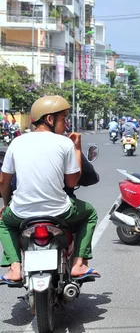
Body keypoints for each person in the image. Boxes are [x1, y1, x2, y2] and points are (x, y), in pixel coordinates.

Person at [0, 95, 99, 283]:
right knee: (90, 213)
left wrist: (7, 204)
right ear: (50, 119)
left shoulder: (17, 142)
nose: (67, 123)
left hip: (21, 212)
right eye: (64, 118)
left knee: (4, 222)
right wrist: (77, 148)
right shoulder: (64, 143)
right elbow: (71, 182)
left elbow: (4, 181)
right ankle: (78, 263)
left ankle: (14, 268)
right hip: (59, 212)